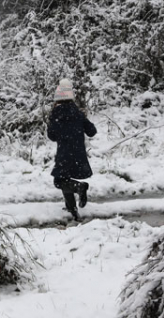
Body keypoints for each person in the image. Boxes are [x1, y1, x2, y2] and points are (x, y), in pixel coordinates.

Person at [47, 78, 96, 221]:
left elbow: (51, 136)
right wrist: (81, 120)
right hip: (79, 153)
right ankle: (72, 210)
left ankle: (79, 187)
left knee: (59, 181)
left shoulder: (56, 114)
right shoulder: (78, 113)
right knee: (64, 179)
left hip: (64, 153)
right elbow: (92, 131)